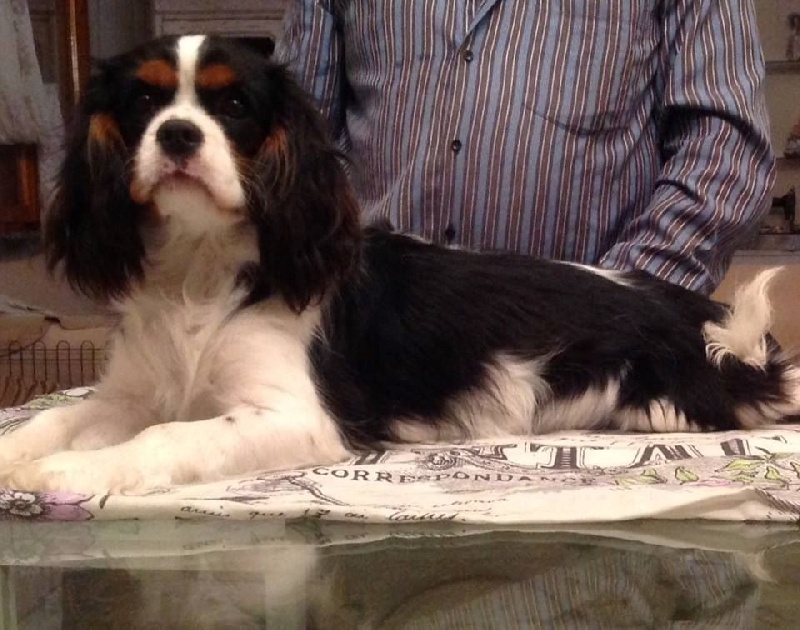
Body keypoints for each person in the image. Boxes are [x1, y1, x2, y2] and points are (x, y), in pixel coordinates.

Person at [277, 1, 774, 295]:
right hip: (375, 355)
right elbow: (289, 146)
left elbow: (725, 152)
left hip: (594, 376)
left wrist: (619, 307)